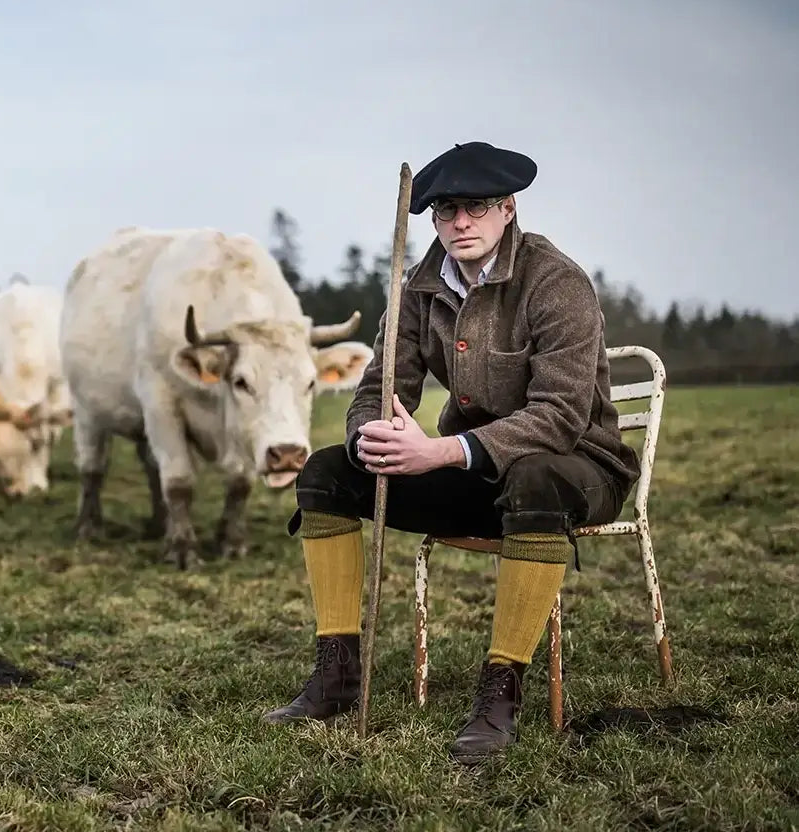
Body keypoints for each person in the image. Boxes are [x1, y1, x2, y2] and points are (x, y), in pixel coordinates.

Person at [263, 140, 640, 761]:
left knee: (535, 479)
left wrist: (439, 453)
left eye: (476, 207)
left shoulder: (556, 282)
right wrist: (371, 437)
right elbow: (378, 390)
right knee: (327, 471)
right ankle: (336, 676)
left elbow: (561, 416)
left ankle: (501, 693)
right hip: (474, 477)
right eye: (446, 211)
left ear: (508, 209)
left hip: (578, 468)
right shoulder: (417, 288)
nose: (461, 222)